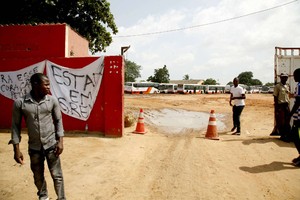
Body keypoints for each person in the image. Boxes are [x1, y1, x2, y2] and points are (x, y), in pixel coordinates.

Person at [9, 73, 66, 200]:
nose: (48, 87)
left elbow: (58, 121)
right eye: (45, 84)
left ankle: (61, 198)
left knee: (57, 175)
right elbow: (15, 127)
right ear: (35, 85)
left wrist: (60, 141)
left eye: (48, 84)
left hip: (51, 145)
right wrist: (16, 150)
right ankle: (43, 197)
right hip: (34, 148)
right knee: (38, 176)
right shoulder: (20, 103)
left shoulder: (52, 101)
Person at [271, 73, 291, 142]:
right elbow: (275, 97)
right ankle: (282, 135)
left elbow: (288, 95)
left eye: (286, 77)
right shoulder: (277, 86)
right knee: (281, 121)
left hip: (286, 105)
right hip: (280, 105)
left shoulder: (287, 86)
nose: (284, 78)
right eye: (283, 77)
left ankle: (287, 135)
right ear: (280, 78)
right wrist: (277, 108)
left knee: (287, 121)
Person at [289, 68, 300, 167]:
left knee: (295, 135)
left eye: (295, 75)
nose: (294, 77)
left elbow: (298, 102)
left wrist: (290, 113)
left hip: (299, 116)